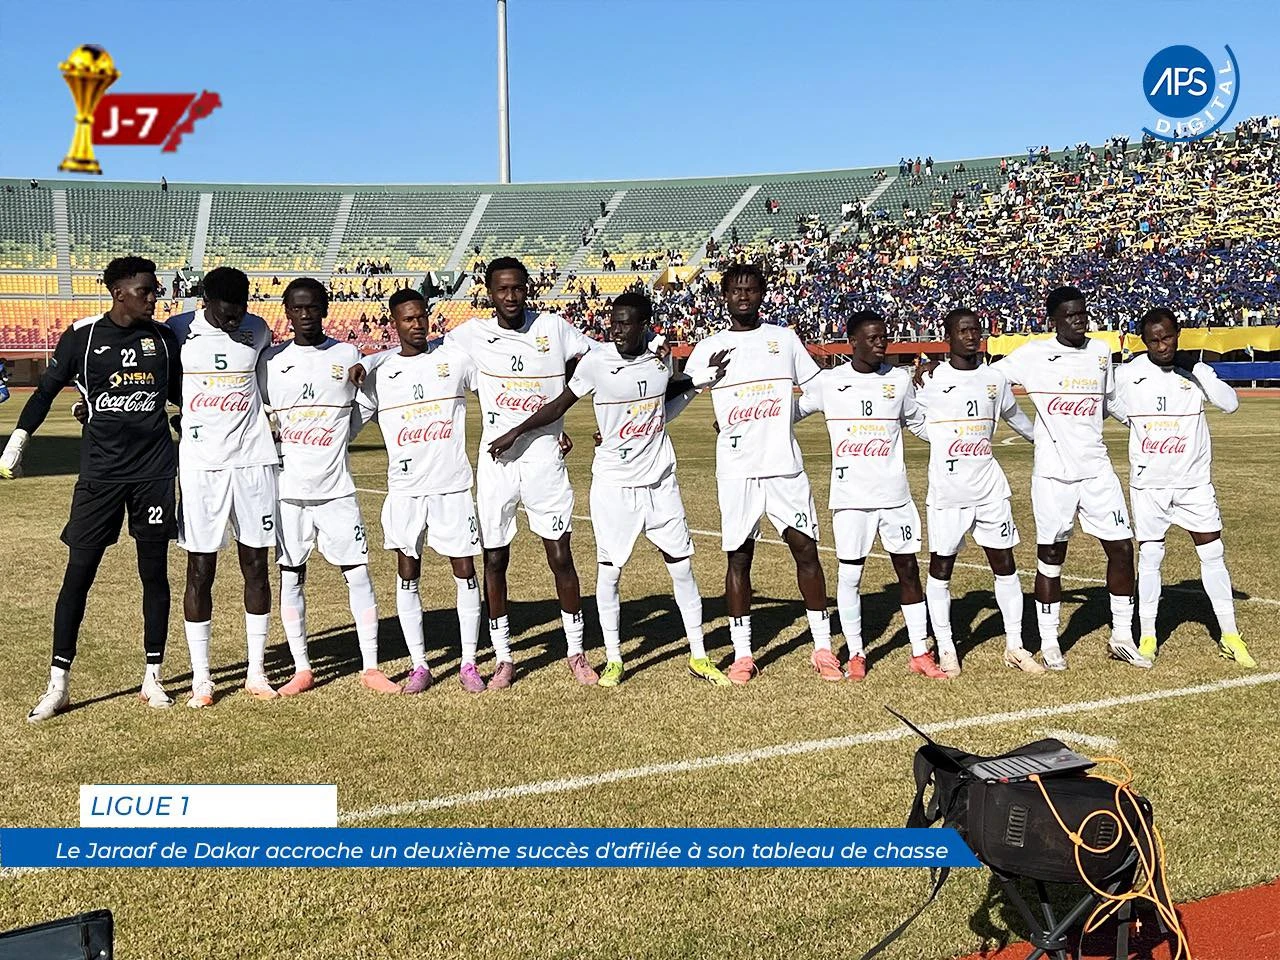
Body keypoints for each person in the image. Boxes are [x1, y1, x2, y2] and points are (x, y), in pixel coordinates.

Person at [488, 292, 731, 687]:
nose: (616, 330)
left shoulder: (658, 359)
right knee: (611, 573)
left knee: (682, 567)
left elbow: (662, 401)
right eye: (613, 322)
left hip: (659, 482)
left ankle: (699, 655)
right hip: (614, 486)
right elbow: (559, 404)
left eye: (625, 323)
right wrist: (517, 431)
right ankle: (615, 658)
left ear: (644, 325)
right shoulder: (596, 363)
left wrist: (697, 383)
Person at [1, 257, 181, 722]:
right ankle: (58, 684)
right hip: (100, 476)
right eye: (146, 290)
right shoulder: (83, 337)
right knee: (78, 574)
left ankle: (153, 676)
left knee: (154, 573)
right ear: (119, 292)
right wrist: (19, 441)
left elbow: (183, 395)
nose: (153, 297)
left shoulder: (163, 340)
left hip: (154, 474)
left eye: (155, 290)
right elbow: (44, 392)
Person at [684, 263, 832, 685]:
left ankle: (822, 648)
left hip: (784, 466)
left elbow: (817, 391)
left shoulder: (783, 339)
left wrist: (787, 416)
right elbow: (680, 393)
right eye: (735, 291)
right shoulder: (710, 346)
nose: (743, 297)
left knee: (805, 550)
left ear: (762, 294)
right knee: (739, 557)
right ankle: (744, 654)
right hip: (736, 471)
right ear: (724, 297)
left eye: (750, 290)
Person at [991, 286, 1146, 669]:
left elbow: (1108, 401)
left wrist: (1142, 423)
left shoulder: (1100, 353)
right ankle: (1050, 641)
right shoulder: (1032, 354)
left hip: (1097, 471)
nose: (1079, 320)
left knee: (1122, 547)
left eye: (1083, 313)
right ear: (1053, 320)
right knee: (1051, 557)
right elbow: (987, 379)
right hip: (1053, 476)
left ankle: (1122, 635)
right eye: (1070, 315)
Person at [262, 278, 399, 696]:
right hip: (288, 491)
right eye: (297, 309)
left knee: (357, 573)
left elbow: (370, 399)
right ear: (286, 312)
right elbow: (256, 414)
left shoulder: (346, 354)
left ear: (325, 309)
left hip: (337, 489)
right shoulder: (269, 361)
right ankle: (302, 667)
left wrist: (344, 432)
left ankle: (371, 666)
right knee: (291, 575)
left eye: (313, 308)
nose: (305, 316)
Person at [798, 310, 943, 680]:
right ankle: (857, 651)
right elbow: (790, 411)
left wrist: (955, 433)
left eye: (884, 337)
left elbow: (919, 424)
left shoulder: (898, 379)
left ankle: (919, 651)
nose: (881, 343)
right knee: (850, 575)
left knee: (908, 570)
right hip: (850, 500)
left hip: (896, 497)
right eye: (873, 338)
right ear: (853, 342)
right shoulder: (830, 383)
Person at [355, 289, 487, 693]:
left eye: (420, 317)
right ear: (393, 323)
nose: (416, 325)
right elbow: (349, 423)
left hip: (453, 487)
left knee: (464, 570)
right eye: (407, 319)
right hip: (406, 491)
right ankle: (419, 665)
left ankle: (467, 663)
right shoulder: (379, 374)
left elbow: (498, 398)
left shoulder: (455, 360)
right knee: (407, 572)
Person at [1111, 308, 1254, 666]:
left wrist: (1200, 371)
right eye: (1154, 340)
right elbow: (1107, 404)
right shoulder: (1129, 375)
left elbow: (1231, 404)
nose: (1162, 346)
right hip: (1149, 486)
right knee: (1151, 557)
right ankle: (1147, 636)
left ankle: (1230, 635)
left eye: (1168, 337)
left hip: (1194, 485)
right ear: (1144, 341)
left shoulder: (1194, 372)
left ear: (1179, 333)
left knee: (1212, 554)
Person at [167, 267, 279, 707]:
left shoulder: (258, 329)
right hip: (201, 467)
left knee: (256, 564)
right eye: (227, 311)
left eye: (242, 309)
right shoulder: (179, 330)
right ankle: (202, 679)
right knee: (200, 568)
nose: (236, 319)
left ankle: (256, 671)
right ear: (205, 301)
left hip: (253, 463)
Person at [912, 308, 1043, 676]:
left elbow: (1015, 417)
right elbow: (916, 422)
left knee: (1005, 565)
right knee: (941, 569)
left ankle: (1015, 645)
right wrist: (942, 440)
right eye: (963, 330)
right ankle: (948, 647)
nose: (971, 336)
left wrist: (1046, 439)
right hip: (948, 493)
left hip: (990, 489)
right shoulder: (932, 379)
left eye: (976, 330)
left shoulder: (994, 379)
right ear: (949, 335)